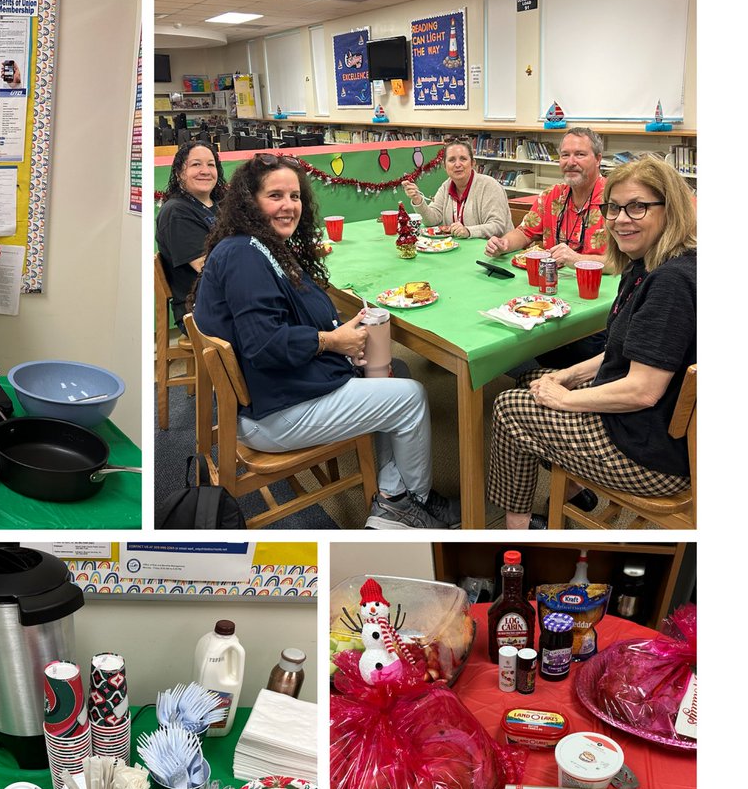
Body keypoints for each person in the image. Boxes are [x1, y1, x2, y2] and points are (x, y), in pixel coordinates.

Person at [192, 153, 460, 530]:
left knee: (391, 368)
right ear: (250, 201)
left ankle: (391, 497)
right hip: (272, 413)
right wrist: (332, 341)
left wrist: (339, 335)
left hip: (273, 389)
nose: (289, 205)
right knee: (410, 396)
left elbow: (280, 318)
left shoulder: (258, 245)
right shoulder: (243, 256)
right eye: (276, 196)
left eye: (295, 196)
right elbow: (264, 344)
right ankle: (408, 500)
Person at [486, 155, 696, 530]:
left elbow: (642, 391)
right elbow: (619, 353)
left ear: (671, 209)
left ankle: (517, 532)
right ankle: (570, 492)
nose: (619, 219)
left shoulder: (670, 282)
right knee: (531, 380)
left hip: (650, 454)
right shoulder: (648, 264)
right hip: (646, 425)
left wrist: (565, 398)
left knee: (508, 408)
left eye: (637, 207)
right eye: (613, 208)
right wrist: (564, 377)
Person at [483, 127, 608, 268]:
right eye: (565, 155)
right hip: (550, 282)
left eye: (580, 154)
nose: (571, 162)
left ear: (598, 159)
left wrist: (576, 259)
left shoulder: (615, 200)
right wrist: (504, 243)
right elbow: (524, 232)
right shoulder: (551, 196)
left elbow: (624, 262)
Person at [156, 140, 227, 328]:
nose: (205, 170)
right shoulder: (177, 212)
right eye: (196, 164)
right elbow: (210, 267)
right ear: (180, 173)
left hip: (227, 297)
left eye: (211, 165)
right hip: (200, 308)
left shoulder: (221, 204)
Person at [401, 137, 512, 240]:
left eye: (463, 159)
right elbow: (432, 220)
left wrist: (468, 231)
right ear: (445, 166)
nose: (457, 164)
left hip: (495, 253)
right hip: (460, 250)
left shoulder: (489, 186)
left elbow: (497, 226)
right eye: (452, 160)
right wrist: (418, 199)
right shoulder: (446, 186)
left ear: (473, 163)